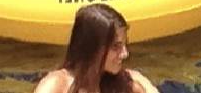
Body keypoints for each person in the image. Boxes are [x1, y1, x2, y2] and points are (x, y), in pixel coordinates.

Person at [31, 5, 159, 93]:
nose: (125, 54)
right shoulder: (57, 86)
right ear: (92, 48)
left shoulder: (130, 85)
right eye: (116, 47)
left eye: (125, 45)